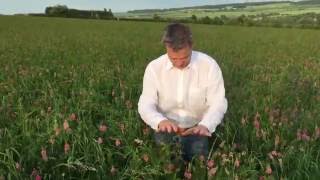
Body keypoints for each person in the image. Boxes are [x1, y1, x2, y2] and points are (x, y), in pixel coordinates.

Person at [138, 23, 228, 162]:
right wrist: (160, 121)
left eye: (184, 57)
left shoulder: (209, 66)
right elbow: (146, 103)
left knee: (199, 165)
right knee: (165, 165)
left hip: (197, 128)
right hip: (166, 128)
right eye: (173, 58)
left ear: (191, 46)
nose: (179, 63)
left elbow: (218, 102)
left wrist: (205, 125)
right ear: (166, 48)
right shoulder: (154, 68)